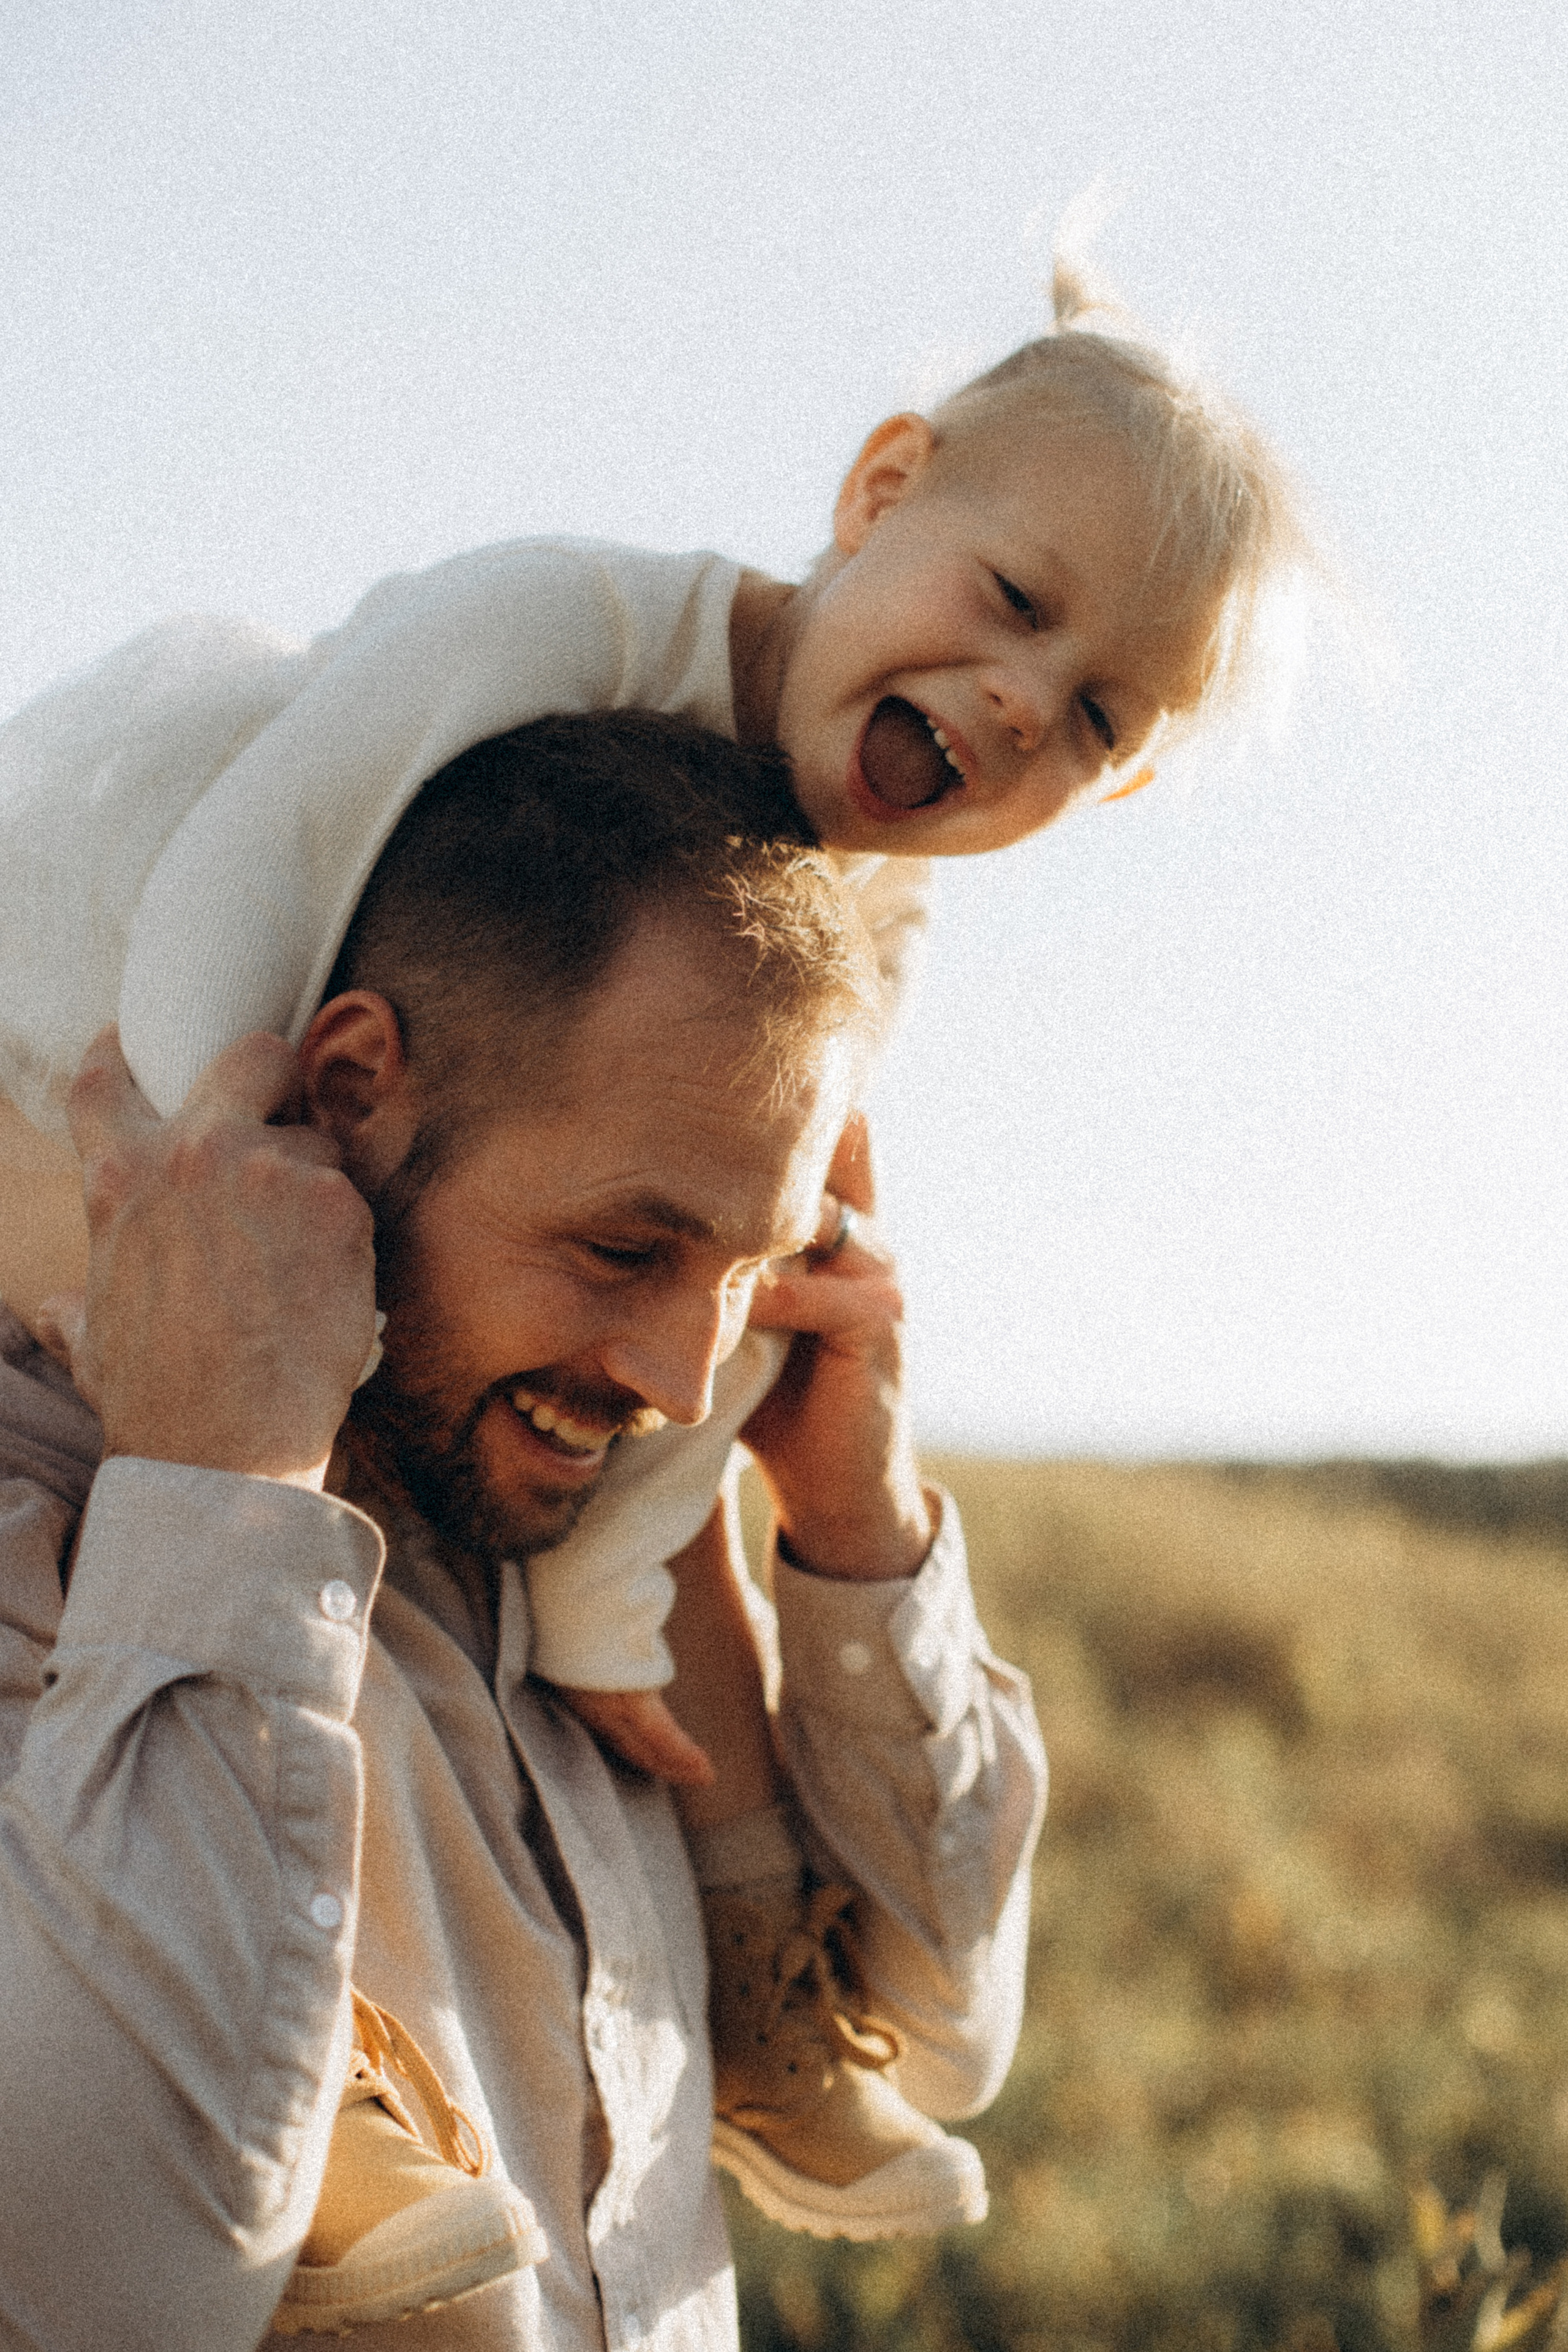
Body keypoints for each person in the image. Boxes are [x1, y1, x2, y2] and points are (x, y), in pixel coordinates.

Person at [0, 254, 1310, 2247]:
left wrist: (825, 1537)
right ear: (882, 491)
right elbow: (255, 866)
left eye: (1095, 719)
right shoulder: (563, 626)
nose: (1016, 705)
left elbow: (954, 2034)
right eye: (1015, 605)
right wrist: (223, 1223)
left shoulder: (835, 990)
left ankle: (752, 1974)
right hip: (132, 1027)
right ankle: (343, 2108)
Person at [0, 712, 1046, 2350]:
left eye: (746, 1268)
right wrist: (223, 1496)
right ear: (350, 1089)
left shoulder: (591, 1579)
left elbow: (936, 2044)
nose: (684, 1376)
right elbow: (119, 2270)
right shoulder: (50, 1522)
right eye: (630, 1247)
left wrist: (858, 1528)